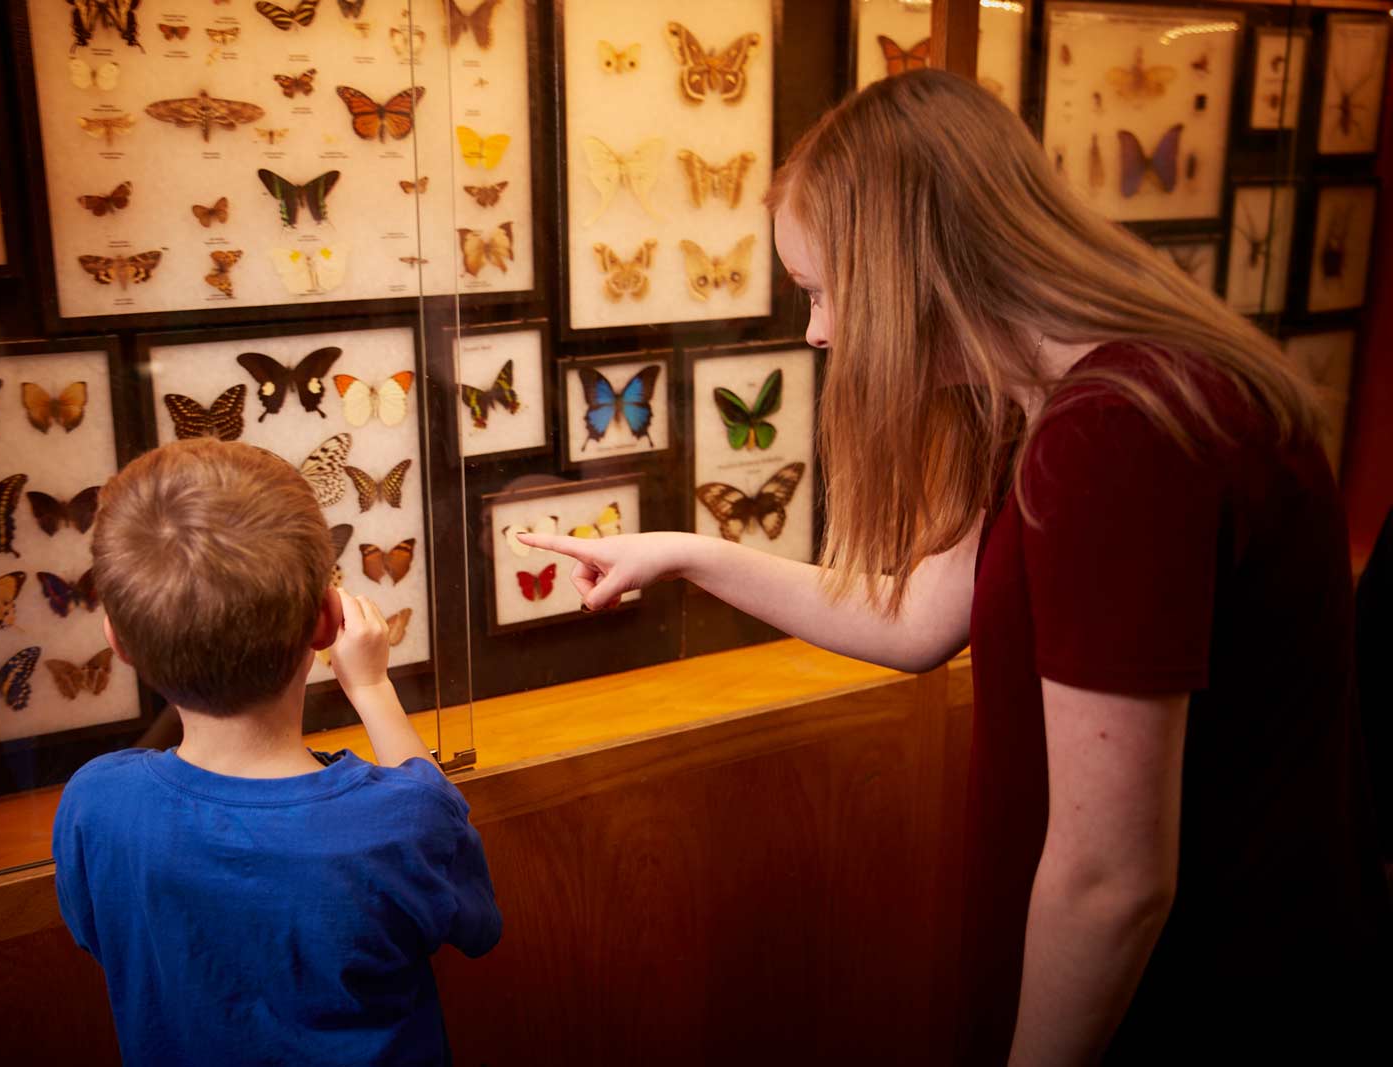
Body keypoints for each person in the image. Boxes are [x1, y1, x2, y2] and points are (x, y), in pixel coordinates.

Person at [523, 70, 1388, 1061]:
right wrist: (680, 552)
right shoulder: (1078, 395)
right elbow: (920, 619)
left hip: (1204, 997)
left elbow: (1112, 879)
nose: (817, 332)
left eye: (819, 289)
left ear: (911, 266)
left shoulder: (1112, 437)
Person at [53, 438, 501, 1066]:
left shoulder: (96, 803)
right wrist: (371, 687)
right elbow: (472, 918)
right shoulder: (395, 822)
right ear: (327, 621)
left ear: (117, 642)